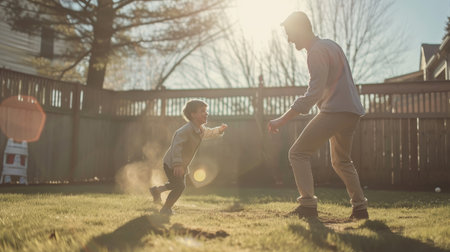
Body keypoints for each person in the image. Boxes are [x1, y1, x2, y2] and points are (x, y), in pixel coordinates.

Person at [268, 11, 368, 219]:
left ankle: (307, 206)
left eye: (289, 33)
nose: (288, 39)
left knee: (297, 153)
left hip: (335, 110)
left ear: (301, 29)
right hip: (351, 111)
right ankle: (360, 209)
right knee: (342, 161)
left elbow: (313, 94)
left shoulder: (316, 52)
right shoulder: (331, 45)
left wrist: (281, 120)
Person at [150, 99, 228, 215]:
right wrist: (177, 164)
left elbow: (209, 133)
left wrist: (219, 130)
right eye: (202, 111)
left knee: (175, 184)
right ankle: (166, 208)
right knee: (180, 186)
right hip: (172, 163)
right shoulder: (185, 131)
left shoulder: (200, 130)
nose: (206, 113)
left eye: (206, 111)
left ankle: (157, 190)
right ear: (193, 114)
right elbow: (176, 147)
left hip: (181, 164)